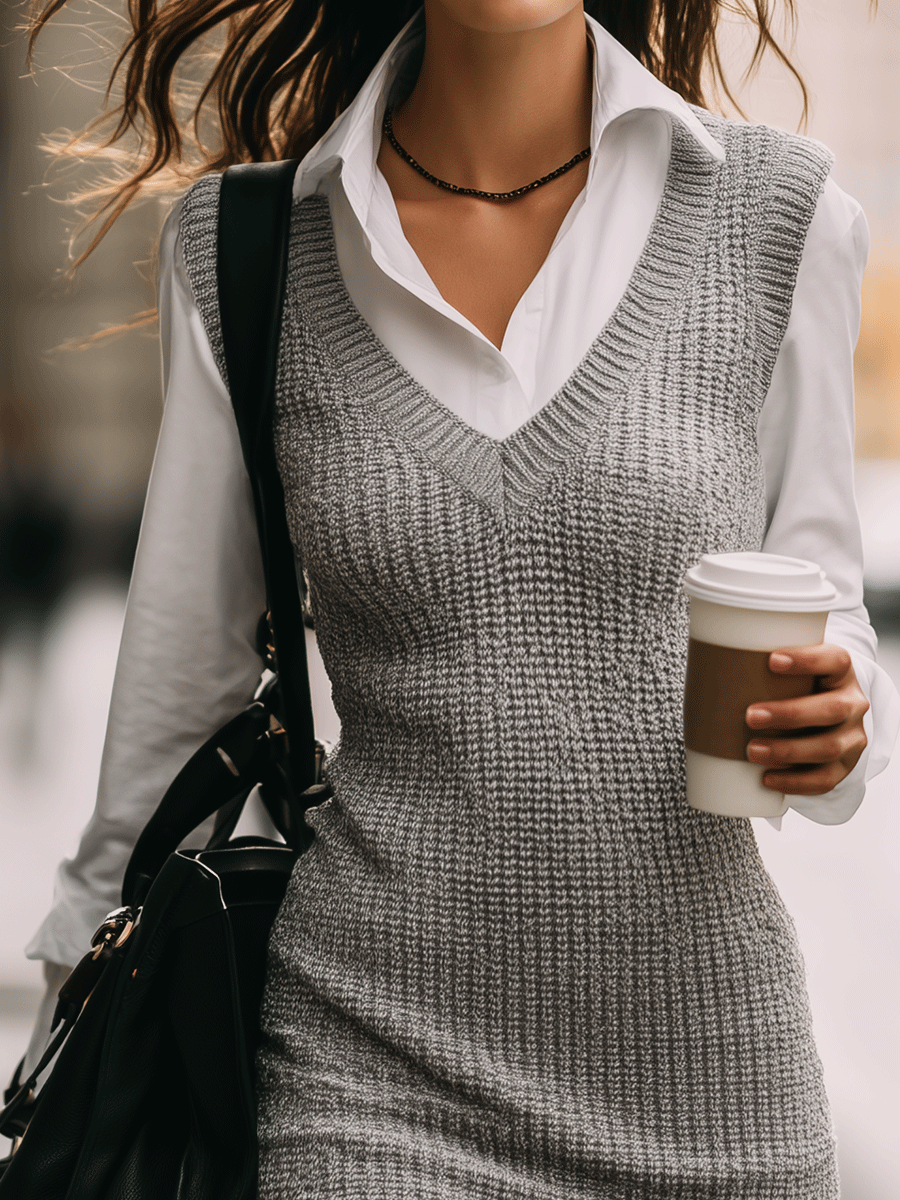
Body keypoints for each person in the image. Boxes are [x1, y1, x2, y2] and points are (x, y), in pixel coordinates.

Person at [19, 0, 900, 1195]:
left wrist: (841, 722)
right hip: (364, 1081)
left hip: (710, 1089)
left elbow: (826, 614)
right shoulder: (249, 250)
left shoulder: (779, 215)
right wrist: (69, 1045)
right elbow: (175, 710)